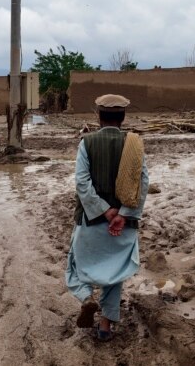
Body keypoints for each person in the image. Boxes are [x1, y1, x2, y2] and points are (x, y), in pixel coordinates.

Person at [65, 94, 149, 342]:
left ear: (98, 116)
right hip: (124, 225)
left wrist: (103, 210)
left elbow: (82, 182)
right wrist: (123, 214)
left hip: (90, 220)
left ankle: (86, 298)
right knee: (115, 274)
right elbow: (143, 183)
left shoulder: (87, 142)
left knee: (74, 265)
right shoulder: (134, 143)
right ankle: (104, 326)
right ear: (123, 117)